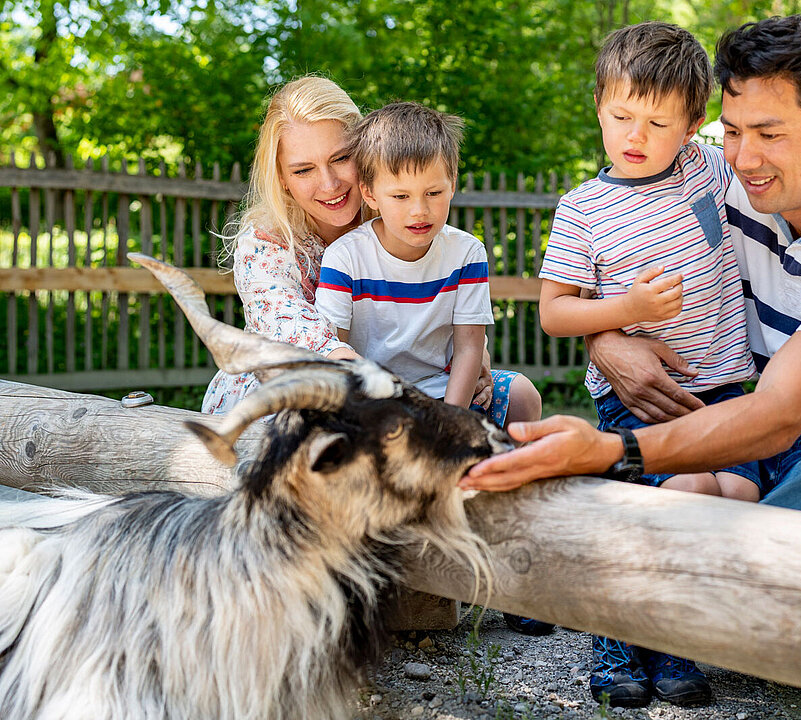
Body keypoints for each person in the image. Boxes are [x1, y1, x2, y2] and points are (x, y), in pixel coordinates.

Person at [465, 7, 801, 680]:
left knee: (742, 570)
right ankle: (648, 641)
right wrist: (610, 339)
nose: (744, 156)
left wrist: (613, 452)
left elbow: (777, 415)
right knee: (698, 534)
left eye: (769, 133)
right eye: (732, 132)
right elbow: (616, 246)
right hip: (751, 430)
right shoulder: (722, 182)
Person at [536, 22, 756, 709]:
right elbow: (555, 311)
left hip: (721, 390)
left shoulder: (707, 171)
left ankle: (671, 638)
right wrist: (623, 309)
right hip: (635, 400)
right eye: (620, 115)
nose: (634, 135)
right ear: (599, 104)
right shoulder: (583, 210)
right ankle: (616, 650)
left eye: (657, 122)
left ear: (693, 126)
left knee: (728, 500)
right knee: (653, 503)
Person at [312, 102, 546, 634]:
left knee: (526, 396)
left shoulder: (465, 252)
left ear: (452, 184)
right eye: (400, 196)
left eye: (434, 193)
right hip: (378, 401)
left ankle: (521, 576)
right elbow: (336, 349)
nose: (420, 210)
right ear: (370, 195)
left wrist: (450, 421)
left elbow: (469, 347)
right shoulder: (348, 258)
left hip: (445, 392)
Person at [201, 77, 494, 418]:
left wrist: (474, 355)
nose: (329, 183)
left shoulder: (399, 215)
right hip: (295, 384)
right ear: (281, 176)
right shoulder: (265, 241)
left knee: (514, 396)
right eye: (303, 170)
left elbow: (440, 309)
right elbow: (298, 335)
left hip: (402, 379)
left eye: (340, 158)